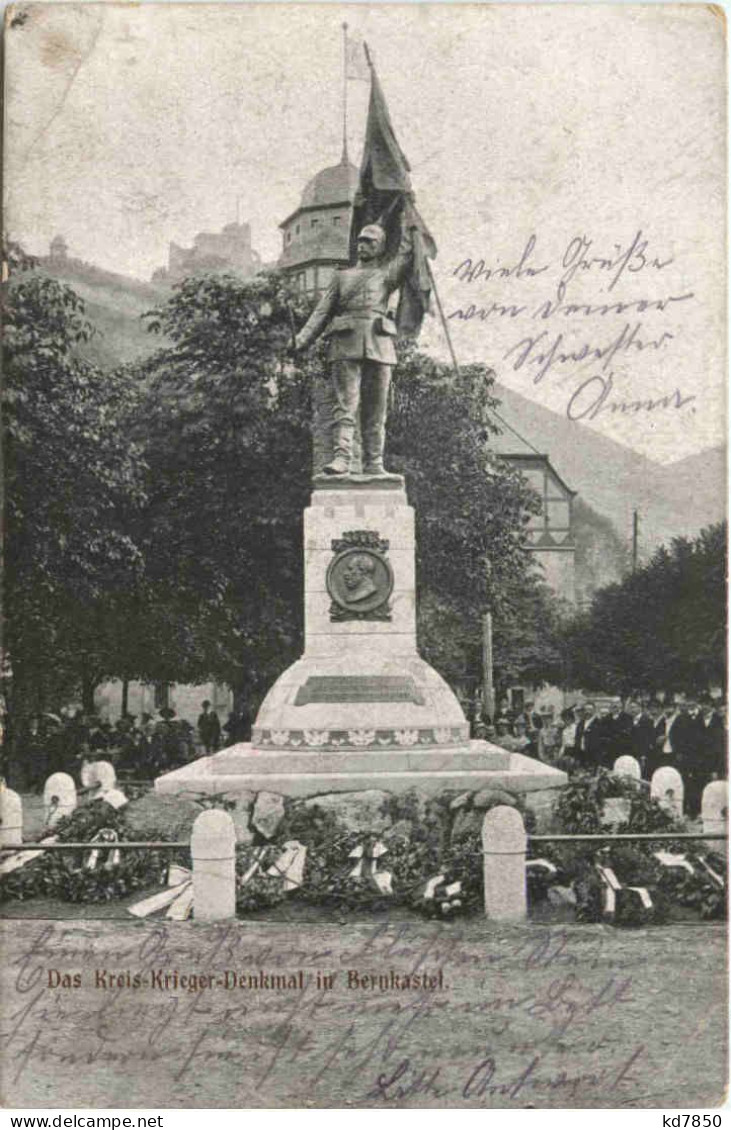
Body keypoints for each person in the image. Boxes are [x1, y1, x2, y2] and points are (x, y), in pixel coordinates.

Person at [294, 206, 414, 477]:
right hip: (345, 343)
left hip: (380, 344)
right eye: (360, 240)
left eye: (369, 241)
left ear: (381, 247)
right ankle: (342, 460)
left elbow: (407, 255)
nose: (362, 245)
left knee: (376, 410)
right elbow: (322, 312)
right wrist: (302, 339)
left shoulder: (386, 275)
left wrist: (409, 219)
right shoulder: (342, 277)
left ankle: (374, 464)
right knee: (345, 406)